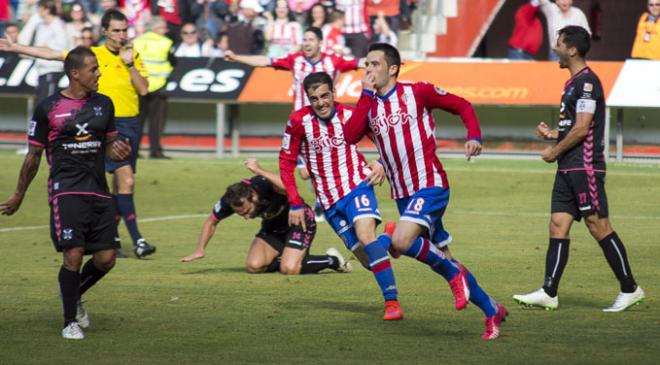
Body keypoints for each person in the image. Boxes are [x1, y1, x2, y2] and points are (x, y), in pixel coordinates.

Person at [343, 43, 508, 340]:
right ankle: (492, 310)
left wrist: (474, 136)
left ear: (392, 69)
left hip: (430, 184)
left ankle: (396, 238)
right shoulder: (368, 106)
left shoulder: (417, 92)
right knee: (446, 262)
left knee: (401, 240)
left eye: (374, 65)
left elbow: (463, 106)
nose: (368, 70)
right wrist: (366, 99)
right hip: (405, 195)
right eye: (366, 65)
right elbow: (350, 136)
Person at [0, 9, 157, 259]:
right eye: (116, 30)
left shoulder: (133, 55)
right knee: (126, 180)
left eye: (125, 29)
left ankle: (109, 240)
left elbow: (144, 89)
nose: (121, 34)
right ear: (104, 31)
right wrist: (15, 47)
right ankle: (138, 240)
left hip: (129, 123)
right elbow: (52, 54)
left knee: (119, 186)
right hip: (99, 122)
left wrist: (129, 65)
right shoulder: (91, 56)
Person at [0, 46, 132, 340]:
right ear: (75, 73)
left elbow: (109, 143)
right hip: (66, 190)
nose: (99, 73)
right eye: (93, 69)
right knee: (72, 254)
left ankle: (72, 293)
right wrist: (19, 195)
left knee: (106, 259)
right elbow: (33, 156)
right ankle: (69, 321)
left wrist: (118, 148)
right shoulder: (48, 108)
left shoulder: (104, 104)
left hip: (98, 191)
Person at [513, 26, 645, 312]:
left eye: (558, 43)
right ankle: (549, 291)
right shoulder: (573, 82)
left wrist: (553, 151)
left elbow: (583, 128)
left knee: (598, 226)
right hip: (568, 168)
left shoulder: (587, 83)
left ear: (572, 49)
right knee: (558, 224)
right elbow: (573, 126)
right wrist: (552, 135)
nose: (554, 47)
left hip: (584, 168)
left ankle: (630, 288)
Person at [280, 71, 413, 320]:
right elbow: (286, 161)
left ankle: (392, 303)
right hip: (329, 202)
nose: (320, 103)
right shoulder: (298, 121)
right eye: (314, 98)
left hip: (357, 186)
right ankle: (388, 239)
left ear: (333, 93)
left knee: (365, 236)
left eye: (324, 96)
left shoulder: (351, 115)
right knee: (366, 258)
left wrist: (381, 161)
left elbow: (386, 139)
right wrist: (295, 202)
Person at [181, 158, 352, 275]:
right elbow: (212, 221)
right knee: (254, 266)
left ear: (253, 197)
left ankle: (332, 260)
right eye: (241, 215)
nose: (247, 218)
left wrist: (259, 170)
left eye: (247, 212)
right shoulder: (231, 199)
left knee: (289, 268)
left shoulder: (263, 185)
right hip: (273, 227)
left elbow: (289, 187)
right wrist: (200, 249)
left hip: (299, 221)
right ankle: (290, 255)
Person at [225, 26, 362, 111]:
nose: (307, 43)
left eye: (311, 40)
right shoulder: (295, 59)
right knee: (294, 158)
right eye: (305, 40)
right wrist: (237, 57)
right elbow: (265, 61)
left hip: (325, 117)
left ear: (320, 43)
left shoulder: (333, 60)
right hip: (301, 118)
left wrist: (381, 58)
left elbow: (361, 62)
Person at [134, 16, 175, 159]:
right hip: (158, 85)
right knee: (156, 121)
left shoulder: (137, 41)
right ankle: (155, 150)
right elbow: (173, 62)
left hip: (139, 85)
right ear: (156, 29)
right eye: (164, 28)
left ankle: (134, 150)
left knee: (137, 120)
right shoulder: (166, 43)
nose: (166, 30)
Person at [18, 0, 70, 103]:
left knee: (48, 103)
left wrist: (47, 47)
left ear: (47, 10)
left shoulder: (58, 24)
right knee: (41, 102)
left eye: (40, 9)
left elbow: (63, 46)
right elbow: (23, 39)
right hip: (41, 69)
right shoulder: (40, 25)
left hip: (53, 69)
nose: (37, 12)